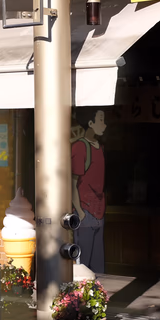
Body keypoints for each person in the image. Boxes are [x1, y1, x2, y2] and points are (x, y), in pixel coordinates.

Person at [72, 108, 107, 274]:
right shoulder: (80, 147)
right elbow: (72, 183)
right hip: (85, 211)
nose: (104, 125)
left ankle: (99, 291)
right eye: (101, 120)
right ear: (90, 123)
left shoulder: (100, 147)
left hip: (99, 211)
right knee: (83, 266)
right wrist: (80, 212)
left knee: (98, 266)